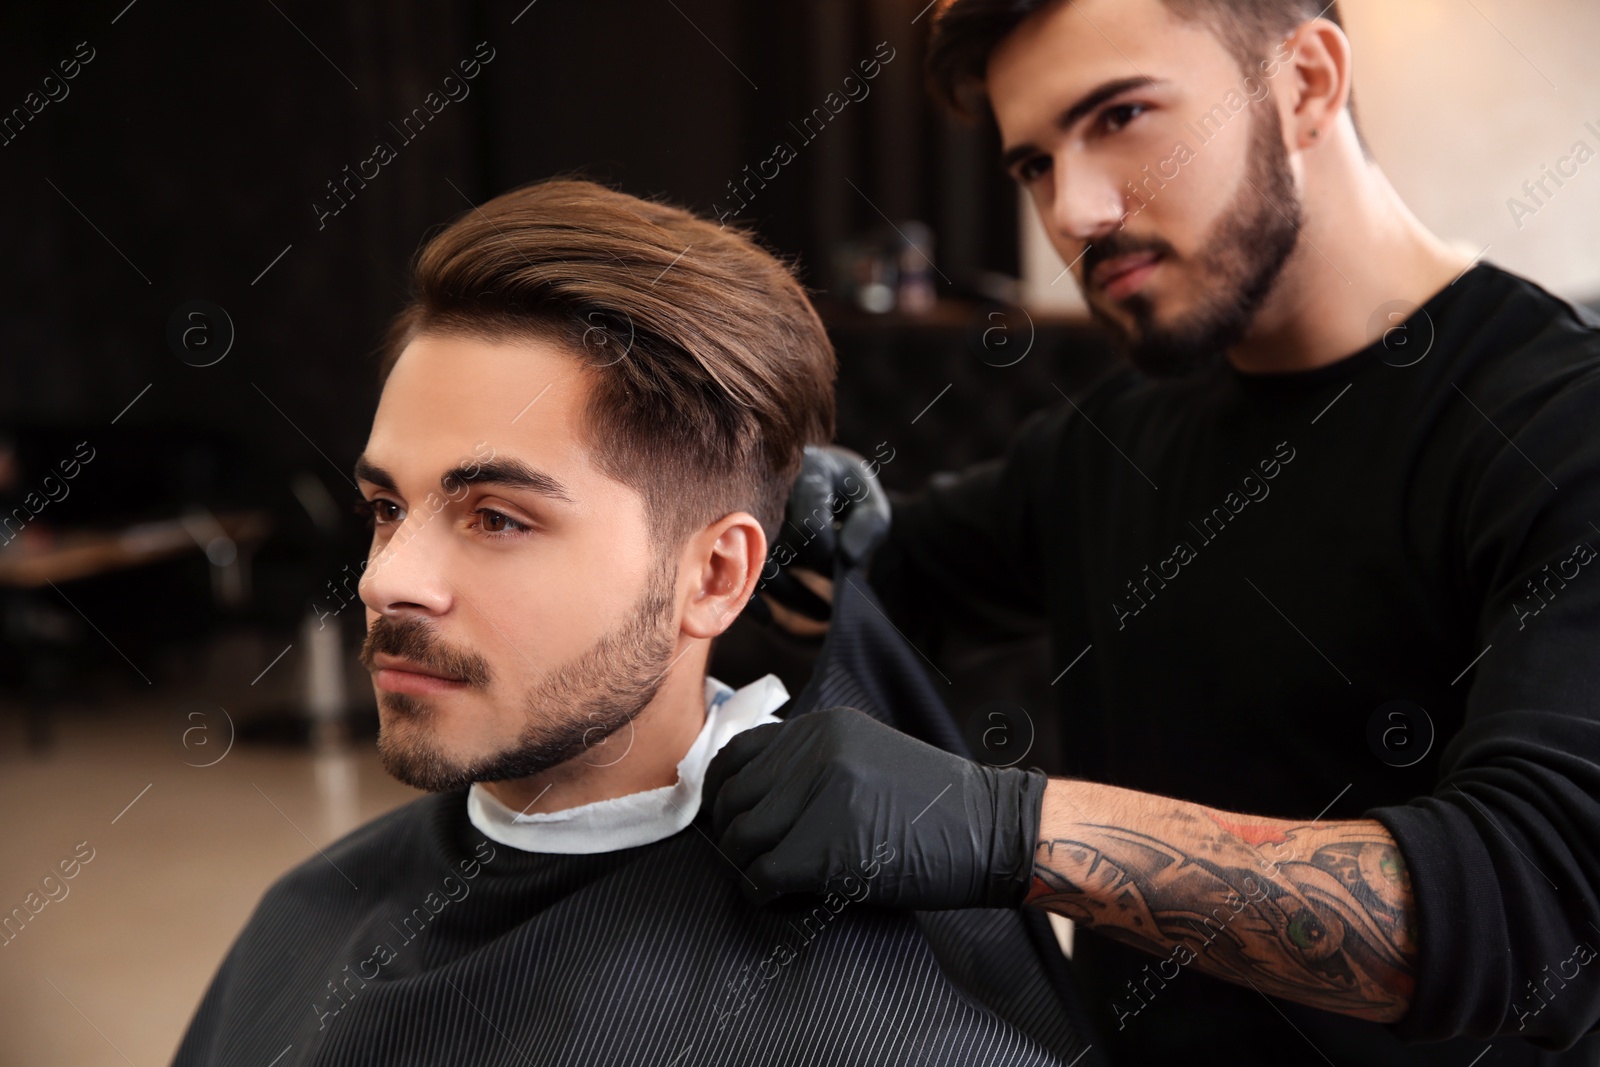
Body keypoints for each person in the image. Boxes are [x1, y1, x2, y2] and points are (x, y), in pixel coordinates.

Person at [706, 1, 1600, 1064]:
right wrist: (793, 522)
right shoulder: (1113, 439)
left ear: (1306, 83)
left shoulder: (1559, 427)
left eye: (1122, 114)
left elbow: (1535, 904)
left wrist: (1009, 831)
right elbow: (880, 585)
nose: (1075, 210)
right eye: (1032, 165)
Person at [169, 178, 1095, 1066]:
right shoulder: (308, 911)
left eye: (497, 517)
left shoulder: (886, 1029)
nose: (386, 580)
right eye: (386, 507)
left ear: (714, 575)